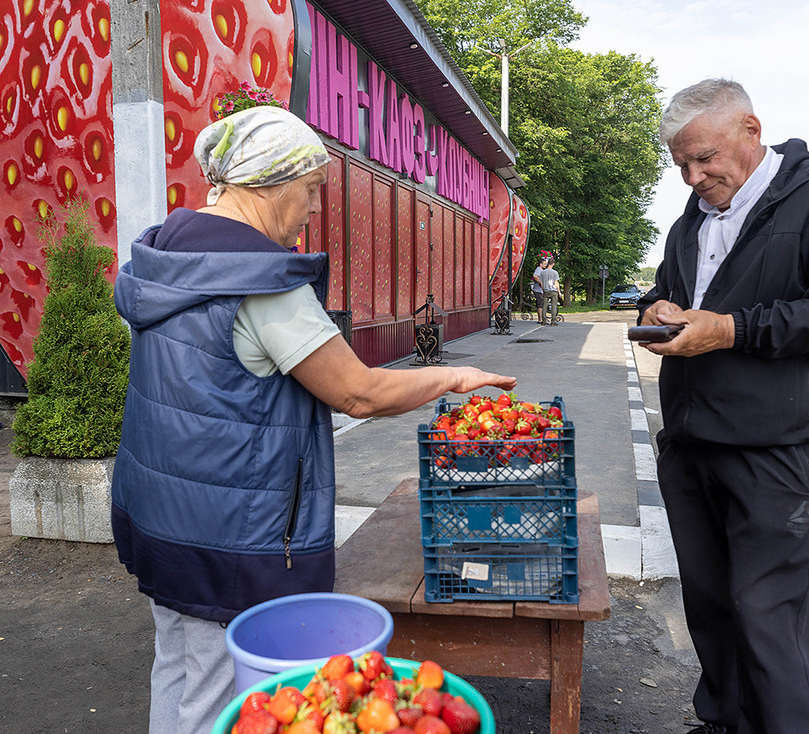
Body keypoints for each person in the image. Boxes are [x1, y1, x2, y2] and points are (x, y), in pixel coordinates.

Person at [110, 106, 516, 734]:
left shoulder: (166, 259)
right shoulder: (262, 281)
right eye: (310, 189)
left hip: (162, 517)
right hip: (231, 533)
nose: (314, 208)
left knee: (178, 664)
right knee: (223, 692)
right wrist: (457, 378)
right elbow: (359, 392)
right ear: (271, 184)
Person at [636, 79, 809, 734]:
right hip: (692, 446)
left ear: (750, 129)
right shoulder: (692, 219)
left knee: (768, 623)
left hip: (775, 453)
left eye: (704, 158)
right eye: (680, 163)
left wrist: (728, 328)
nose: (693, 176)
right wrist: (655, 309)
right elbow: (666, 292)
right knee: (713, 609)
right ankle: (721, 723)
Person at [539, 257, 562, 325]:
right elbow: (556, 283)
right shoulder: (555, 273)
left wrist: (543, 290)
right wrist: (559, 292)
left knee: (544, 306)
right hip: (553, 291)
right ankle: (553, 320)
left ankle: (544, 320)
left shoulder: (542, 272)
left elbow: (541, 283)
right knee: (554, 306)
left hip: (546, 291)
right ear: (553, 264)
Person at [530, 255, 547, 324]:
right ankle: (540, 319)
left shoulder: (541, 270)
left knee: (541, 304)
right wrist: (540, 282)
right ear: (541, 264)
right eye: (544, 264)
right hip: (538, 290)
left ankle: (541, 318)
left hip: (540, 290)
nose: (545, 265)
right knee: (540, 304)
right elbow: (535, 276)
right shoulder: (538, 269)